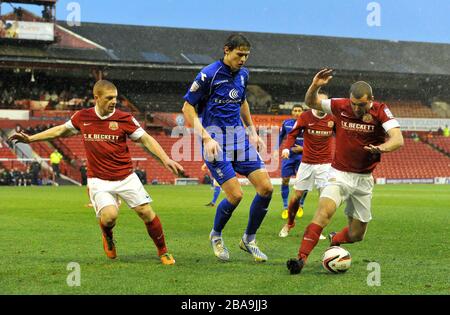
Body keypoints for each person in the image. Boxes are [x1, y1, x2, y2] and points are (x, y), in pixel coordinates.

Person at [9, 80, 184, 265]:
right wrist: (31, 139)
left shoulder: (124, 118)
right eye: (109, 98)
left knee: (146, 212)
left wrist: (165, 159)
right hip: (99, 180)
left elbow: (147, 139)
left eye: (115, 98)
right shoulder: (83, 117)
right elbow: (61, 130)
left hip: (125, 176)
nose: (114, 102)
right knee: (109, 217)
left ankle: (163, 251)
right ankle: (108, 237)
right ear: (96, 98)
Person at [286, 69, 404, 275]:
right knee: (323, 213)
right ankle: (300, 259)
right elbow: (311, 103)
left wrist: (382, 148)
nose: (357, 108)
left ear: (372, 100)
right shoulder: (339, 106)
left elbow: (398, 138)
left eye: (362, 104)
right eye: (354, 103)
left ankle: (336, 239)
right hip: (338, 174)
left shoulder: (381, 110)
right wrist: (315, 85)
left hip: (363, 179)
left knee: (357, 234)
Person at [182, 34, 273, 262]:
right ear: (226, 50)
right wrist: (205, 138)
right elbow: (187, 108)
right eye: (239, 54)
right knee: (235, 195)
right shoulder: (208, 75)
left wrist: (251, 129)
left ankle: (248, 240)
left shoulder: (243, 74)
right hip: (215, 143)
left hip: (240, 141)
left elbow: (242, 101)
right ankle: (216, 235)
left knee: (266, 189)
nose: (243, 59)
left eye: (246, 56)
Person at [278, 92, 334, 239]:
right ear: (315, 102)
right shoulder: (305, 116)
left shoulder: (333, 117)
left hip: (325, 164)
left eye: (325, 102)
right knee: (296, 196)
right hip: (307, 162)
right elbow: (292, 134)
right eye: (320, 102)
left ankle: (317, 229)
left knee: (325, 198)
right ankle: (289, 223)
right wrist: (286, 148)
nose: (323, 105)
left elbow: (343, 135)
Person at [274, 104, 306, 219]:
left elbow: (313, 141)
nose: (297, 113)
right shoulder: (286, 123)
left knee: (302, 182)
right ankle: (285, 207)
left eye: (299, 111)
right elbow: (280, 136)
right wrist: (275, 150)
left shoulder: (307, 123)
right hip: (289, 156)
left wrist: (302, 149)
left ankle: (301, 205)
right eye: (295, 110)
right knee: (285, 180)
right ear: (292, 112)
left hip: (303, 156)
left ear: (302, 112)